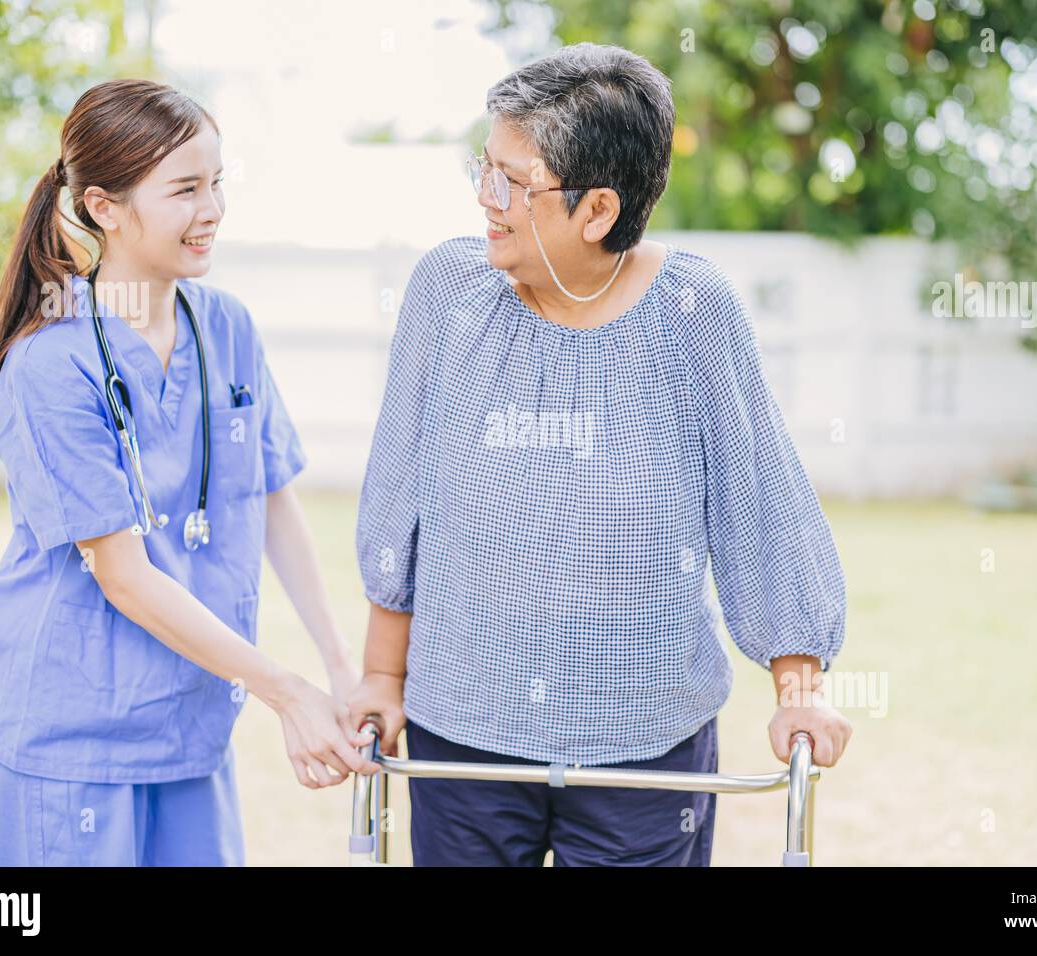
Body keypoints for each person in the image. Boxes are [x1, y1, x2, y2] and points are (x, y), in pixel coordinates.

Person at [348, 43, 851, 866]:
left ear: (598, 210)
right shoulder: (448, 293)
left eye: (515, 181)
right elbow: (398, 497)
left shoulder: (692, 314)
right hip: (463, 736)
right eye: (486, 167)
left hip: (643, 747)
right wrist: (379, 677)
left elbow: (759, 508)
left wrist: (799, 689)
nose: (487, 198)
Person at [0, 78, 377, 867]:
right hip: (72, 742)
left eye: (217, 182)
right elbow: (121, 574)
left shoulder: (225, 326)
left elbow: (271, 498)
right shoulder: (50, 366)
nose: (212, 208)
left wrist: (339, 667)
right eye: (185, 189)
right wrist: (285, 691)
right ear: (104, 207)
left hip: (191, 732)